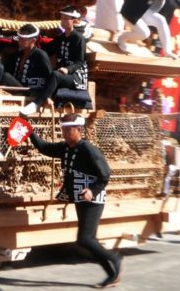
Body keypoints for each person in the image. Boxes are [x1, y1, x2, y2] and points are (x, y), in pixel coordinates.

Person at [27, 114, 121, 288]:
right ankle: (112, 274)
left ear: (78, 129)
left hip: (93, 200)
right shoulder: (65, 148)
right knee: (88, 240)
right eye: (62, 129)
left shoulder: (88, 149)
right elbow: (44, 147)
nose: (64, 133)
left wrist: (92, 190)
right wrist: (29, 131)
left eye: (67, 130)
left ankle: (115, 260)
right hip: (80, 197)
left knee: (85, 239)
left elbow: (105, 174)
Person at [0, 24, 55, 115]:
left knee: (5, 76)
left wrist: (48, 96)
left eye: (23, 39)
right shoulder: (18, 54)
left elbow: (50, 78)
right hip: (20, 89)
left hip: (32, 91)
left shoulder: (41, 55)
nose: (19, 41)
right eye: (19, 38)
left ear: (33, 40)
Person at [47, 5, 89, 101]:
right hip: (61, 73)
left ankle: (37, 103)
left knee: (55, 75)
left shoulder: (79, 38)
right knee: (49, 74)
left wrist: (68, 69)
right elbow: (48, 50)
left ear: (74, 21)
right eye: (62, 18)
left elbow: (80, 62)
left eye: (66, 19)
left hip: (75, 76)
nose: (63, 21)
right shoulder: (61, 38)